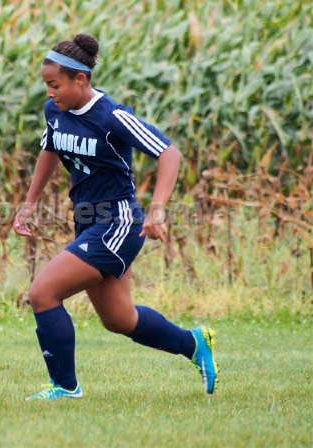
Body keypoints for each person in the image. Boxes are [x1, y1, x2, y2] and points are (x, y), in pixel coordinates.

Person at [14, 34, 218, 400]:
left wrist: (157, 210)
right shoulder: (55, 111)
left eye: (55, 84)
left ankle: (65, 387)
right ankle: (193, 343)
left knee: (43, 293)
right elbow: (50, 149)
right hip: (87, 221)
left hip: (118, 223)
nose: (49, 93)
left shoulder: (113, 116)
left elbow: (169, 154)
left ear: (80, 79)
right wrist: (29, 203)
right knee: (120, 319)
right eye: (46, 85)